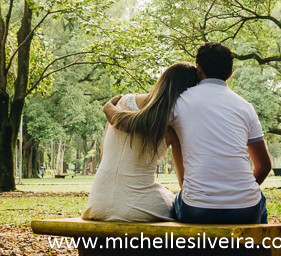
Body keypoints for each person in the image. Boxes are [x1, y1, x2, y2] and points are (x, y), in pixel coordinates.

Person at [104, 42, 272, 224]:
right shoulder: (246, 108)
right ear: (230, 74)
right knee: (258, 203)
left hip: (197, 209)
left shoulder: (179, 102)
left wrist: (109, 110)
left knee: (175, 200)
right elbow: (263, 167)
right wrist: (239, 195)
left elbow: (139, 123)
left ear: (198, 70)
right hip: (246, 210)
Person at [81, 62, 198, 222]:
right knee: (175, 202)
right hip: (139, 207)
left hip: (97, 203)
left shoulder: (120, 103)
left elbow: (104, 155)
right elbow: (184, 181)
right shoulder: (172, 124)